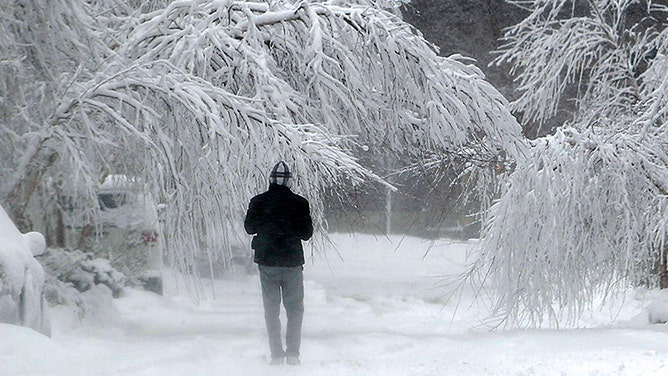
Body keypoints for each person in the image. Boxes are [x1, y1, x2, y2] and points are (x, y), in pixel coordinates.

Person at [244, 161, 313, 366]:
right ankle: (293, 354)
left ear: (271, 179)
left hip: (267, 262)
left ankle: (276, 354)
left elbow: (249, 228)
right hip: (292, 262)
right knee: (294, 309)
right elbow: (306, 234)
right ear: (289, 181)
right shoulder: (300, 203)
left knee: (271, 309)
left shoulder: (258, 202)